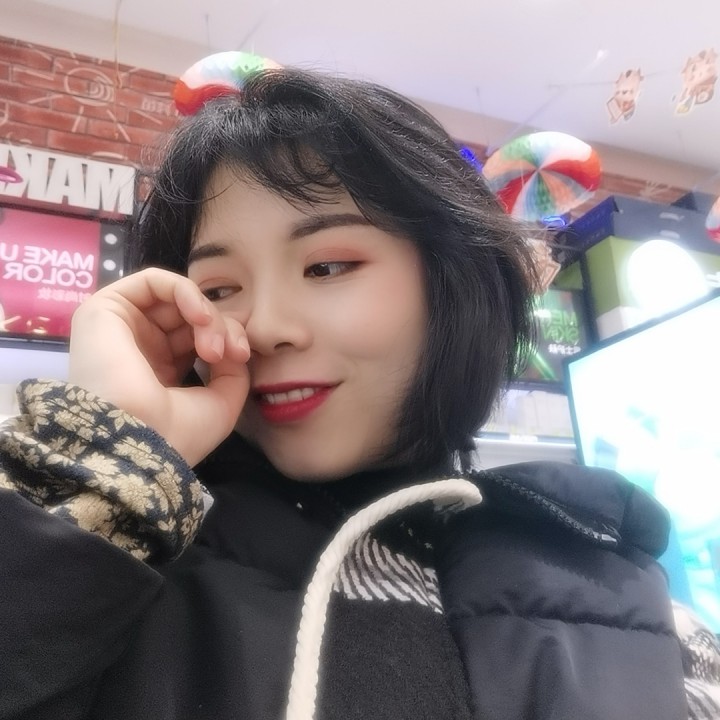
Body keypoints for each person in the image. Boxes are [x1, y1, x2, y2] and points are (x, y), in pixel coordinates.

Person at [0, 67, 702, 720]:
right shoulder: (110, 566)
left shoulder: (623, 590)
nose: (264, 327)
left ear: (450, 283)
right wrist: (114, 458)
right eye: (217, 290)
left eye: (328, 267)